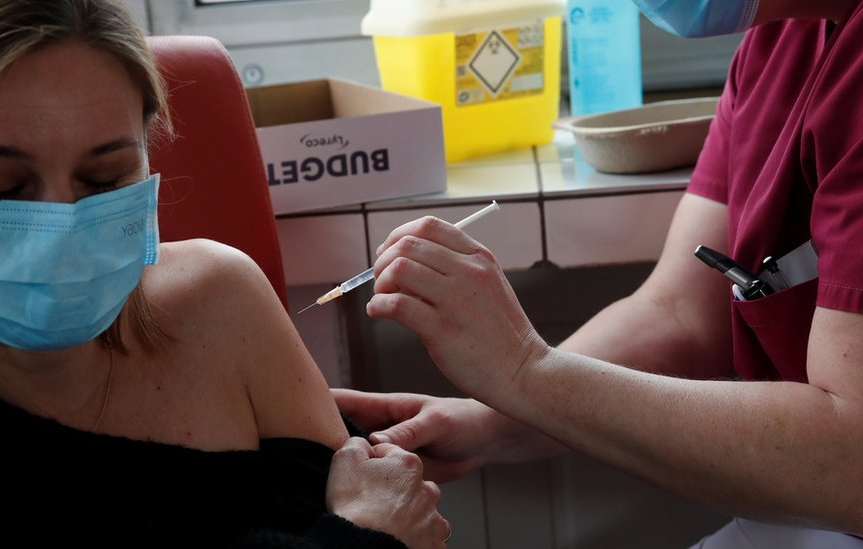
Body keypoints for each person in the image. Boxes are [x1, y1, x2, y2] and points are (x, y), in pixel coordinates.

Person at [0, 0, 450, 545]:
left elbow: (382, 505)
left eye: (105, 178)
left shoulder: (220, 298)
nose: (62, 229)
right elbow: (371, 523)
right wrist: (366, 539)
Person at [335, 0, 863, 545]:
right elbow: (681, 314)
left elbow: (853, 459)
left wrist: (525, 372)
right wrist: (489, 420)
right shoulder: (780, 43)